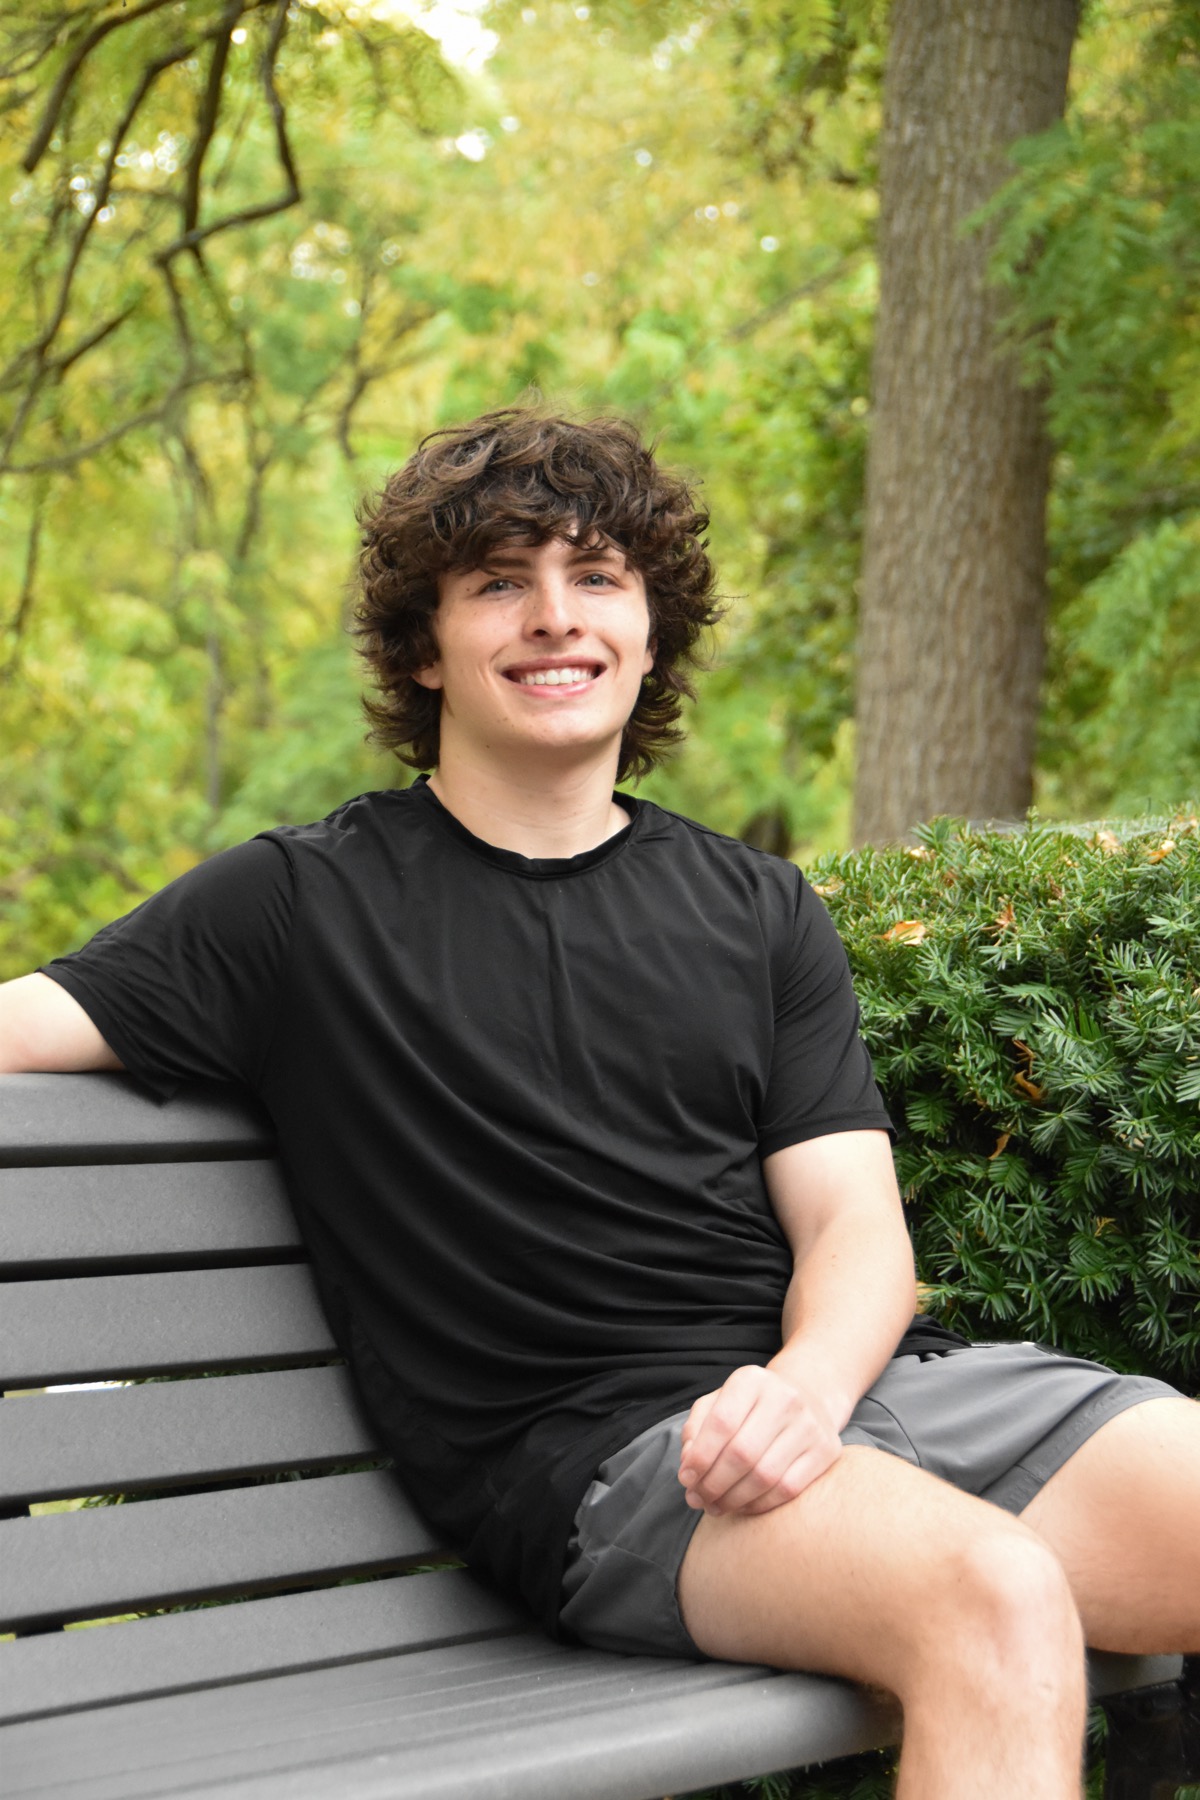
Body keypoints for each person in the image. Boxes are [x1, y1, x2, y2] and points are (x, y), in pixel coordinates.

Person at [1, 409, 1196, 1800]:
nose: (554, 618)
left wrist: (804, 1393)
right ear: (423, 645)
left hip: (845, 1401)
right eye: (500, 582)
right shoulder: (298, 907)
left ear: (649, 625)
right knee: (995, 1599)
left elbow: (858, 1233)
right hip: (615, 1471)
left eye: (597, 575)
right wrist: (770, 1427)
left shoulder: (754, 908)